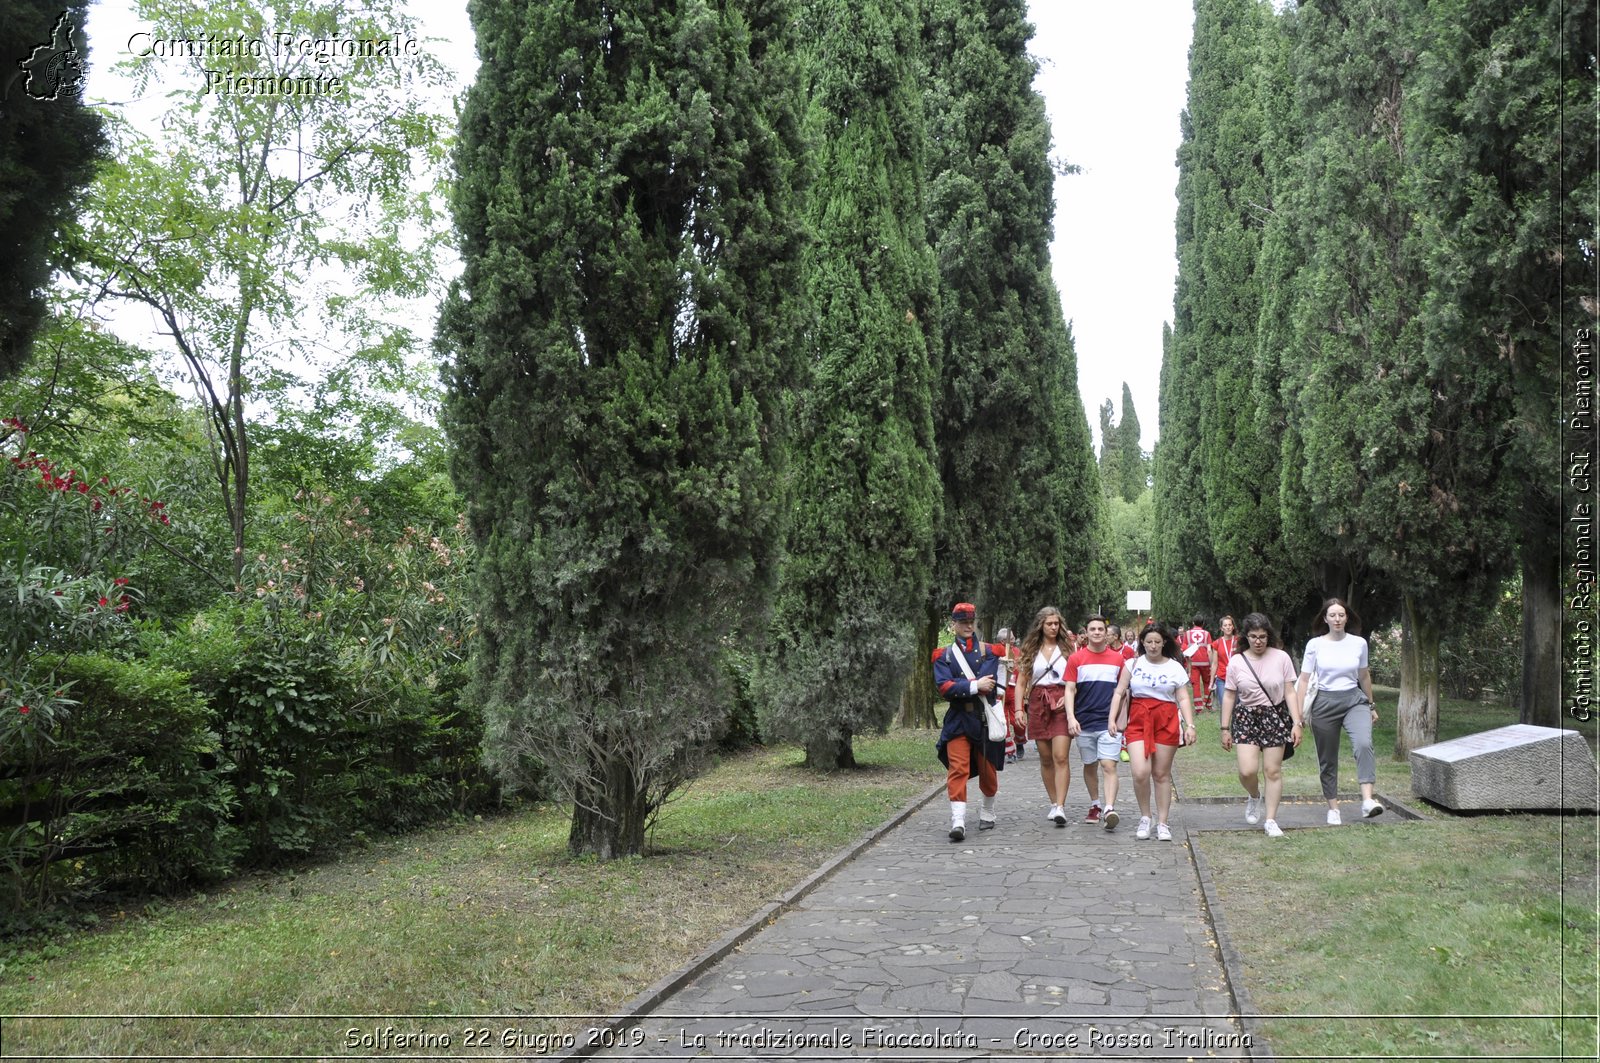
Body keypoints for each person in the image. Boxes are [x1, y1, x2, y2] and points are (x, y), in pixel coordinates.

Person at [1295, 597, 1383, 824]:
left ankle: (1367, 800)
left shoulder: (1359, 643)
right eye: (1332, 615)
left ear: (1347, 618)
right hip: (1324, 702)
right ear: (1325, 618)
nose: (1337, 619)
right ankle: (1333, 807)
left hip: (1354, 700)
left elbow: (1363, 675)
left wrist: (1371, 705)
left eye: (1341, 615)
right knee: (1328, 758)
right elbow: (1304, 680)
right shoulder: (1315, 645)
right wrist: (1297, 715)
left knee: (1363, 743)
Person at [1109, 622, 1195, 841]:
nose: (1154, 646)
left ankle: (1163, 822)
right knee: (1140, 772)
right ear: (1142, 643)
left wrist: (1189, 725)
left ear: (1164, 642)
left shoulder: (1174, 666)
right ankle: (1145, 816)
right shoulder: (1132, 664)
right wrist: (1112, 718)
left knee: (1161, 774)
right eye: (1149, 642)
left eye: (1157, 642)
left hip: (1166, 719)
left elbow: (1183, 697)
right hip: (1139, 718)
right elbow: (1119, 692)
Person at [1219, 613, 1303, 837]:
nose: (1258, 641)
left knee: (1272, 771)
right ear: (1246, 637)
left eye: (1263, 637)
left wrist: (1297, 722)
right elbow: (1229, 695)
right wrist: (1225, 728)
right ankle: (1254, 795)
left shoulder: (1281, 657)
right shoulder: (1237, 661)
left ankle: (1271, 820)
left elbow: (1289, 691)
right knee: (1247, 771)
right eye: (1254, 636)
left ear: (1269, 636)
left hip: (1274, 716)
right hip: (1246, 717)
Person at [934, 602, 1007, 840]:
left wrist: (963, 686)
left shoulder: (989, 651)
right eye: (962, 622)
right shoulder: (943, 655)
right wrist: (975, 685)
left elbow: (991, 684)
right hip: (958, 719)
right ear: (953, 624)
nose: (968, 626)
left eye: (971, 621)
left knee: (988, 770)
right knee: (958, 768)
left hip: (983, 717)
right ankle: (958, 821)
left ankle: (988, 810)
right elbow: (945, 688)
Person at [1063, 616, 1126, 830]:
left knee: (1109, 765)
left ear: (1106, 633)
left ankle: (1109, 808)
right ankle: (1095, 804)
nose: (1097, 632)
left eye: (1101, 629)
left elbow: (1123, 692)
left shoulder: (1118, 660)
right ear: (1086, 632)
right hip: (1084, 722)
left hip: (1109, 723)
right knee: (1089, 764)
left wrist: (1120, 719)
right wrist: (1071, 717)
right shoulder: (1076, 659)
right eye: (1093, 629)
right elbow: (1069, 690)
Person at [1017, 605, 1075, 826]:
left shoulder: (1068, 648)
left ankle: (1061, 805)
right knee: (1045, 757)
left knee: (1061, 755)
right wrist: (1019, 709)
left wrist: (1071, 699)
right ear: (1040, 625)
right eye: (1049, 623)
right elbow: (1022, 681)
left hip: (1061, 700)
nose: (1053, 627)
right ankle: (1053, 802)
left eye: (1056, 623)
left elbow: (1076, 678)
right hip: (1038, 702)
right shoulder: (1031, 649)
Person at [1180, 615, 1213, 712]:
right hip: (1205, 662)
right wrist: (1211, 665)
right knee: (1207, 683)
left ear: (1193, 623)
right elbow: (1209, 650)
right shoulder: (1207, 634)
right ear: (1203, 623)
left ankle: (1198, 708)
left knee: (1196, 685)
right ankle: (1208, 704)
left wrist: (1188, 661)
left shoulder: (1188, 634)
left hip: (1193, 663)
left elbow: (1184, 649)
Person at [1210, 614, 1237, 713]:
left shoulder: (1239, 641)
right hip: (1222, 678)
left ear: (1233, 626)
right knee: (1224, 706)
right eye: (1225, 625)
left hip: (1237, 677)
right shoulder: (1217, 643)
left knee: (1237, 707)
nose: (1228, 627)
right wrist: (1211, 681)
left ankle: (1235, 727)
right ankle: (1225, 728)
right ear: (1221, 628)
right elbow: (1214, 663)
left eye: (1230, 625)